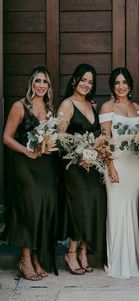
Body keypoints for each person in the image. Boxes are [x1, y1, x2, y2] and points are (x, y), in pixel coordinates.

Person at [3, 66, 58, 280]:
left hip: (46, 167)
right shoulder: (20, 106)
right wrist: (26, 151)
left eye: (45, 82)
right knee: (30, 209)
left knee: (43, 209)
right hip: (25, 166)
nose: (41, 85)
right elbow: (6, 137)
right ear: (31, 84)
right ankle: (24, 259)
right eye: (38, 81)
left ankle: (36, 257)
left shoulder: (50, 109)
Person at [57, 63, 107, 275]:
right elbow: (60, 137)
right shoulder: (67, 105)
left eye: (90, 82)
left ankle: (84, 251)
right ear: (74, 80)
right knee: (80, 207)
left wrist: (94, 154)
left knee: (94, 204)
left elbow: (97, 136)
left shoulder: (91, 105)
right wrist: (78, 157)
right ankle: (71, 251)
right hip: (74, 167)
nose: (86, 84)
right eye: (83, 79)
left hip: (93, 167)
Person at [99, 67, 139, 279]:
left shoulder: (137, 107)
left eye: (124, 82)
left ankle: (132, 259)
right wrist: (110, 166)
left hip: (134, 163)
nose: (121, 86)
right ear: (112, 85)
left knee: (132, 209)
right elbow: (105, 140)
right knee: (116, 209)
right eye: (117, 82)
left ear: (130, 85)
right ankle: (116, 260)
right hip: (116, 164)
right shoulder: (107, 107)